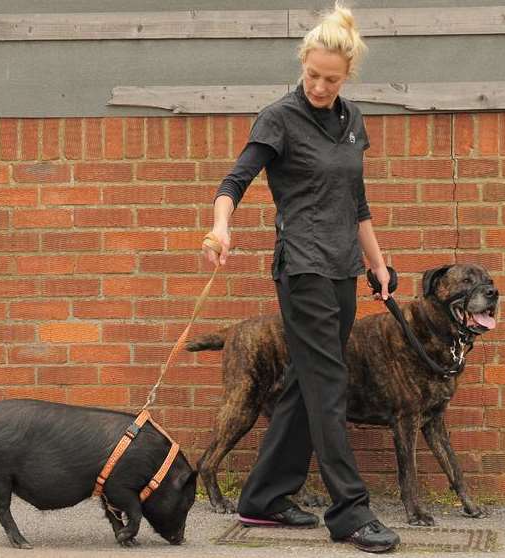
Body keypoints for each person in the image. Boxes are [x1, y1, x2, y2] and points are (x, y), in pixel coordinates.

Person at [202, 2, 400, 554]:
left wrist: (378, 264)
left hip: (341, 271)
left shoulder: (353, 119)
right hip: (303, 268)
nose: (317, 84)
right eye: (311, 74)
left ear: (346, 77)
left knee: (305, 382)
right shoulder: (278, 117)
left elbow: (355, 201)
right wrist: (221, 228)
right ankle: (349, 511)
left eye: (329, 78)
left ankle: (262, 496)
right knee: (328, 384)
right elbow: (235, 179)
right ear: (302, 65)